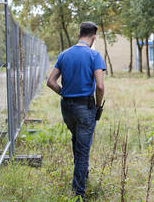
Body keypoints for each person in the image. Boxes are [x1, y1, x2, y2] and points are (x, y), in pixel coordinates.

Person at [47, 21, 106, 201]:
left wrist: (64, 93)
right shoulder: (94, 55)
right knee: (83, 150)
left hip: (67, 107)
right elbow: (101, 87)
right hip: (85, 107)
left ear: (79, 34)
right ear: (93, 36)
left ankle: (82, 175)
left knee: (77, 140)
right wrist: (97, 105)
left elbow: (50, 81)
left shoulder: (64, 55)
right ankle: (78, 193)